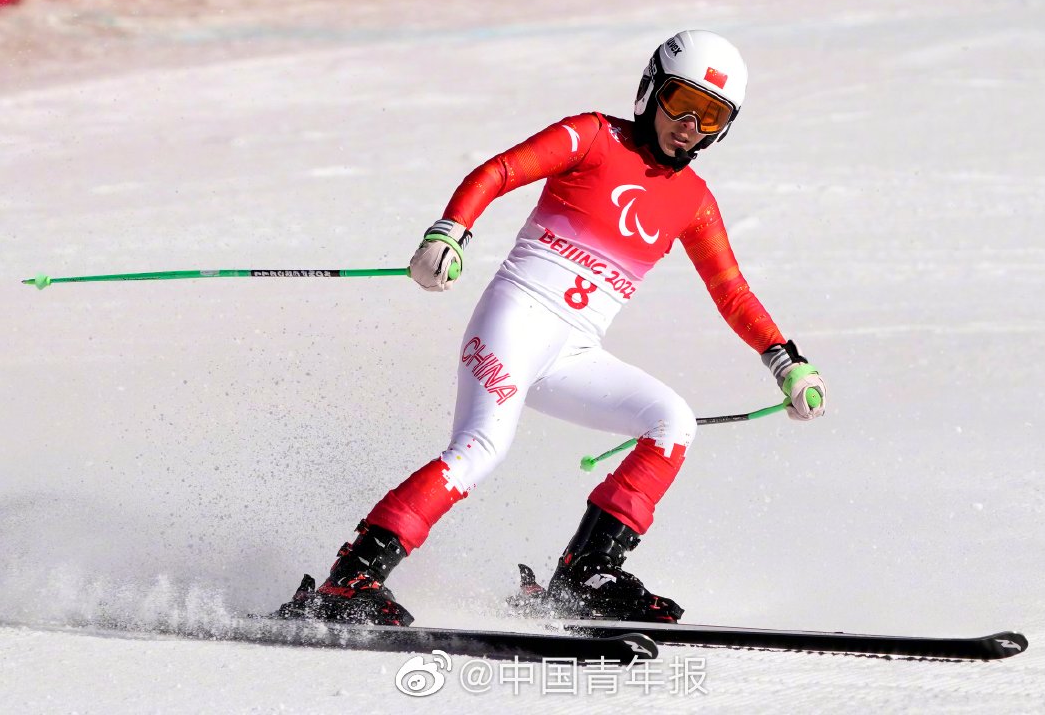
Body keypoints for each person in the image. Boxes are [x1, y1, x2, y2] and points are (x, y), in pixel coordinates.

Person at [277, 30, 826, 626]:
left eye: (712, 115)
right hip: (513, 322)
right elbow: (500, 171)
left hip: (573, 352)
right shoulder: (593, 135)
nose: (691, 124)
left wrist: (785, 361)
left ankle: (587, 575)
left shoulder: (693, 200)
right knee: (481, 449)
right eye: (680, 103)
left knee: (671, 423)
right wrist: (449, 232)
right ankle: (350, 579)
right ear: (649, 91)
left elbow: (732, 292)